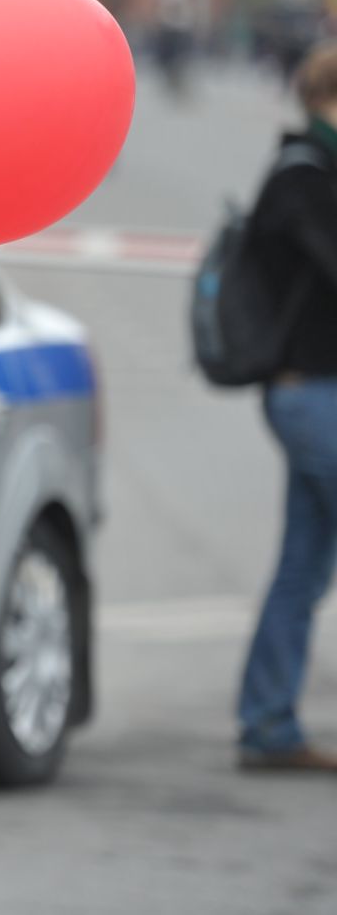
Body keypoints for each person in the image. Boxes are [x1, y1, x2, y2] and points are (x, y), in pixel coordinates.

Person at [235, 40, 337, 773]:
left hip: (316, 392)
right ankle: (266, 719)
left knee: (302, 564)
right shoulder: (303, 177)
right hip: (310, 392)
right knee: (302, 564)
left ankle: (268, 721)